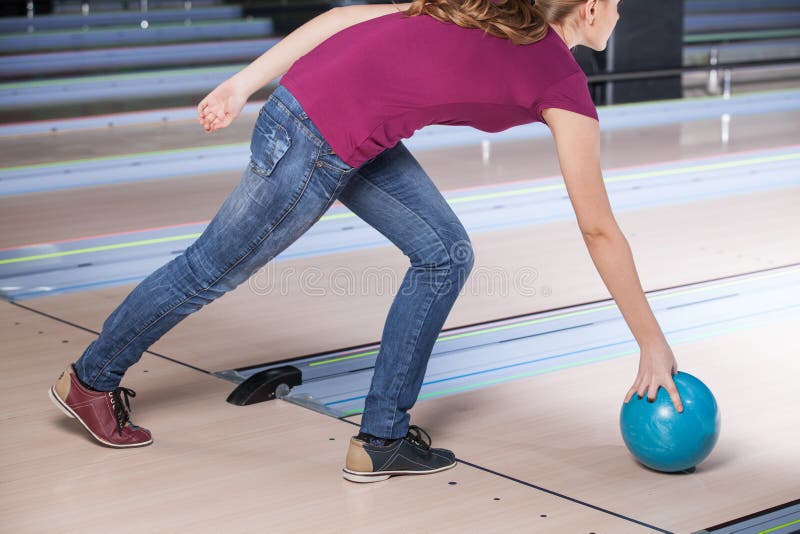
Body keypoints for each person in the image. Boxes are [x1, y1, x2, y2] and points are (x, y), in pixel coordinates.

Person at [50, 0, 684, 484]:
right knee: (208, 270)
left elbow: (344, 16)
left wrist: (249, 83)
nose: (624, 11)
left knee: (444, 252)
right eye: (619, 1)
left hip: (333, 125)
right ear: (592, 6)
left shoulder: (487, 9)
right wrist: (651, 342)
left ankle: (380, 439)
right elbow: (597, 227)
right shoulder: (560, 78)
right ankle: (91, 380)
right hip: (314, 141)